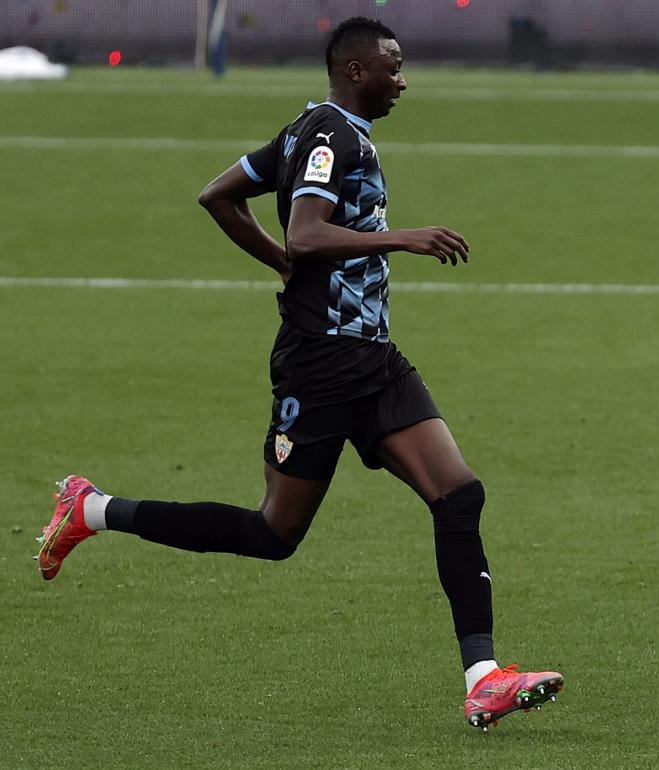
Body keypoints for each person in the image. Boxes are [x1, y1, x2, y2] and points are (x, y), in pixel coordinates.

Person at [35, 16, 562, 731]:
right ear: (355, 72)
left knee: (459, 495)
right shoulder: (328, 136)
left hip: (373, 359)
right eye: (392, 67)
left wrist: (284, 265)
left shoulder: (312, 132)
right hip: (320, 365)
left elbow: (221, 195)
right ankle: (91, 509)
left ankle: (484, 678)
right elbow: (306, 233)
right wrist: (395, 239)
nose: (402, 80)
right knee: (274, 533)